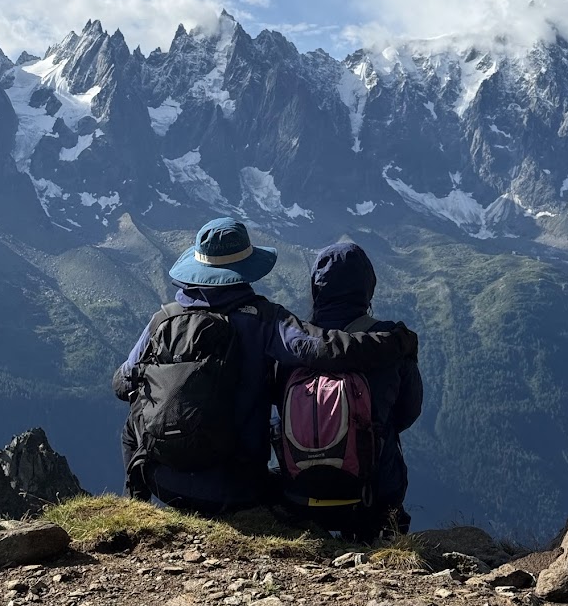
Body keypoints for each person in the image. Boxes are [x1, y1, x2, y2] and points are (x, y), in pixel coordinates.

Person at [113, 217, 418, 515]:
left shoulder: (164, 319)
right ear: (244, 269)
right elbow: (325, 349)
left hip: (164, 484)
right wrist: (395, 343)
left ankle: (134, 504)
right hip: (238, 490)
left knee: (135, 416)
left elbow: (122, 384)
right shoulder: (264, 320)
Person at [276, 241, 422, 540]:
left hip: (298, 493)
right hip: (371, 496)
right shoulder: (390, 340)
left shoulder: (293, 344)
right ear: (367, 288)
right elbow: (408, 412)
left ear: (317, 289)